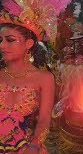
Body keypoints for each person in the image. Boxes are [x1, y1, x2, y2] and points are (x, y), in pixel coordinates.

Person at [0, 15, 55, 153]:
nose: (2, 45)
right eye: (0, 40)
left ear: (28, 44)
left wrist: (35, 145)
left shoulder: (45, 78)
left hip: (27, 147)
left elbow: (44, 120)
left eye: (10, 40)